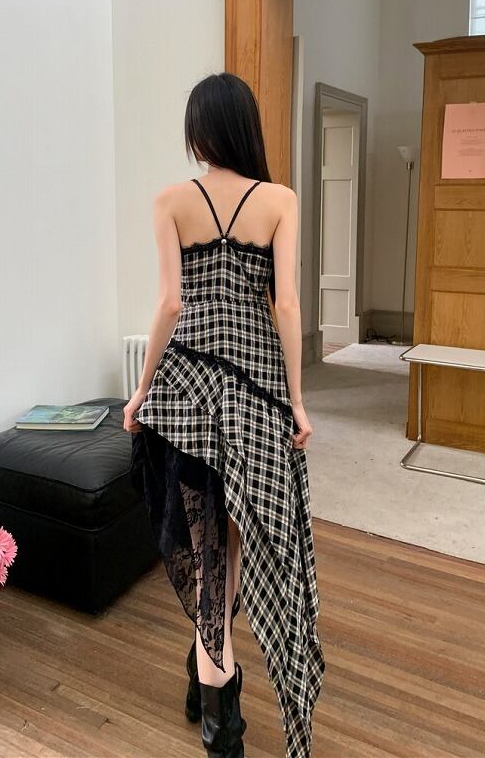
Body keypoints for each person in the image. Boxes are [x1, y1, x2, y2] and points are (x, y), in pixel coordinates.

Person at [123, 71, 325, 758]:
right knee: (232, 552)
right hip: (256, 403)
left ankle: (211, 699)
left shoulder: (171, 201)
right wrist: (296, 401)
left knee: (210, 554)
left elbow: (169, 304)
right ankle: (218, 710)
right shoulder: (279, 200)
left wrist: (141, 392)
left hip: (188, 400)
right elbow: (286, 305)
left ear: (199, 132)